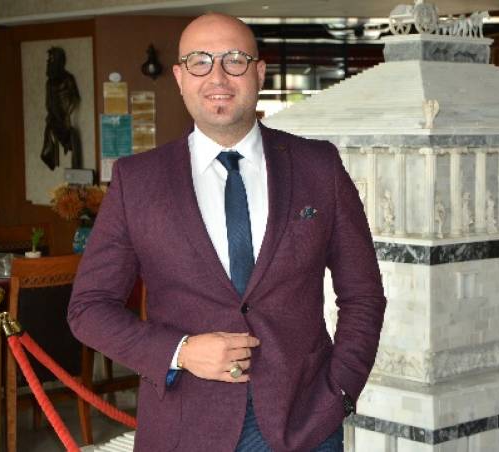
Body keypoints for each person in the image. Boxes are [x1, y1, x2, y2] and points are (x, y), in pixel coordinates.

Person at [68, 13, 386, 452]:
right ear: (179, 77)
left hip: (305, 426)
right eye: (199, 61)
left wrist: (341, 392)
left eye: (234, 59)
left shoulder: (318, 166)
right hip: (184, 429)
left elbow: (363, 294)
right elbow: (88, 309)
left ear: (259, 72)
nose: (217, 76)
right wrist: (179, 351)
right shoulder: (136, 181)